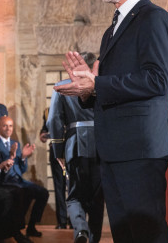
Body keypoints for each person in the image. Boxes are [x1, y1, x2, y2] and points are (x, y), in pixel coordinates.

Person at [55, 0, 168, 243]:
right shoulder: (112, 30)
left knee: (146, 235)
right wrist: (88, 89)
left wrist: (97, 84)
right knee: (124, 235)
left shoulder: (153, 18)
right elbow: (113, 88)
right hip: (113, 150)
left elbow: (157, 80)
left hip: (140, 149)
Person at [47, 52, 104, 243]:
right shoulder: (101, 86)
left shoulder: (63, 86)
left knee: (74, 196)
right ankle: (94, 238)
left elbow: (54, 119)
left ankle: (80, 230)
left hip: (75, 145)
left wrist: (58, 150)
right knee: (97, 197)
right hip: (100, 146)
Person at [0, 116, 49, 238]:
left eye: (10, 126)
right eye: (5, 125)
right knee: (24, 193)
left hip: (19, 180)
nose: (8, 128)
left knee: (43, 193)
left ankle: (31, 226)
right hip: (6, 180)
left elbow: (22, 169)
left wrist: (23, 157)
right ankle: (15, 230)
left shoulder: (16, 143)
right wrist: (11, 156)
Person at [39, 107, 68, 230]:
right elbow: (44, 129)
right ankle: (61, 221)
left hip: (70, 150)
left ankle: (75, 221)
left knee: (73, 187)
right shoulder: (47, 111)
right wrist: (43, 135)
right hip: (56, 152)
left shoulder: (72, 106)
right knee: (59, 187)